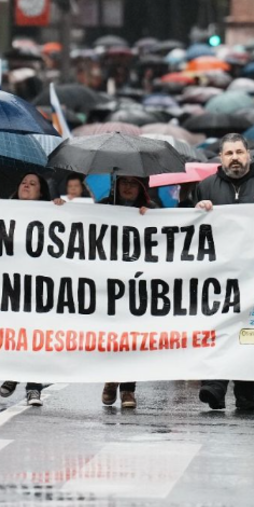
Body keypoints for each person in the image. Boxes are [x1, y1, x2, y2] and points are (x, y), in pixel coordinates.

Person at [192, 134, 254, 411]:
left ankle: (246, 393)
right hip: (219, 276)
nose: (234, 157)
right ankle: (215, 386)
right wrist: (197, 210)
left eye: (239, 152)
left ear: (248, 154)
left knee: (251, 333)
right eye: (228, 153)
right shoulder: (205, 187)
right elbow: (185, 227)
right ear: (220, 158)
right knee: (219, 330)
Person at [0, 172, 66, 407]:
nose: (26, 185)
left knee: (35, 335)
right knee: (15, 333)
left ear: (41, 192)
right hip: (12, 284)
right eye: (23, 181)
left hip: (39, 286)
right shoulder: (2, 211)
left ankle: (33, 387)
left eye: (33, 183)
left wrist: (60, 209)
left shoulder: (51, 213)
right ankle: (14, 373)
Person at [98, 175, 153, 409]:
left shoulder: (151, 211)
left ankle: (128, 389)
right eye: (124, 182)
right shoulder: (102, 207)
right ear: (116, 184)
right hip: (106, 283)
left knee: (132, 336)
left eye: (133, 182)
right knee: (112, 334)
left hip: (137, 284)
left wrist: (150, 219)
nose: (128, 187)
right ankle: (111, 379)